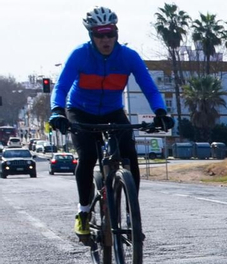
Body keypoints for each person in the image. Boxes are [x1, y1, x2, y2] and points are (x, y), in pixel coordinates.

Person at [48, 8, 171, 238]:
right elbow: (61, 87)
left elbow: (149, 88)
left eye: (110, 34)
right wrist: (57, 112)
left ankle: (131, 215)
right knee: (87, 157)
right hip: (80, 111)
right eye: (99, 34)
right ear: (91, 36)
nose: (106, 40)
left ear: (116, 32)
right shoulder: (80, 55)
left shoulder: (128, 56)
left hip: (113, 111)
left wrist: (161, 112)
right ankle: (83, 212)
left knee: (129, 154)